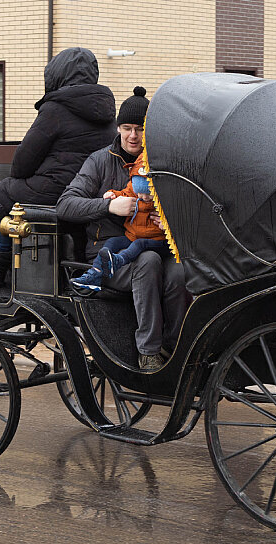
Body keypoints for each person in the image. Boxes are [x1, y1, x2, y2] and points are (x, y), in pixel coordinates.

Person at [57, 86, 188, 372]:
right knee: (148, 261)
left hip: (154, 244)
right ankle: (148, 352)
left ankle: (175, 345)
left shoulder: (163, 163)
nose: (133, 136)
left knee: (179, 269)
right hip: (107, 257)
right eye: (127, 128)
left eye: (140, 129)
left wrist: (167, 222)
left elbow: (185, 209)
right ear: (118, 128)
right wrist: (108, 207)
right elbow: (65, 205)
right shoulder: (100, 160)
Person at [0, 47, 116, 285]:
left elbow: (22, 164)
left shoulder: (55, 108)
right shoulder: (107, 110)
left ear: (58, 74)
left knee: (0, 194)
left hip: (54, 190)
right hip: (89, 193)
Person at [69, 151, 169, 294]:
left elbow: (179, 213)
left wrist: (168, 224)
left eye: (149, 193)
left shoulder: (163, 197)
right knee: (112, 243)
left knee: (140, 245)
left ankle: (119, 261)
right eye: (140, 193)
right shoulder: (135, 189)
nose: (144, 197)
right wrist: (112, 195)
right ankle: (94, 274)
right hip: (133, 235)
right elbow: (125, 193)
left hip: (157, 240)